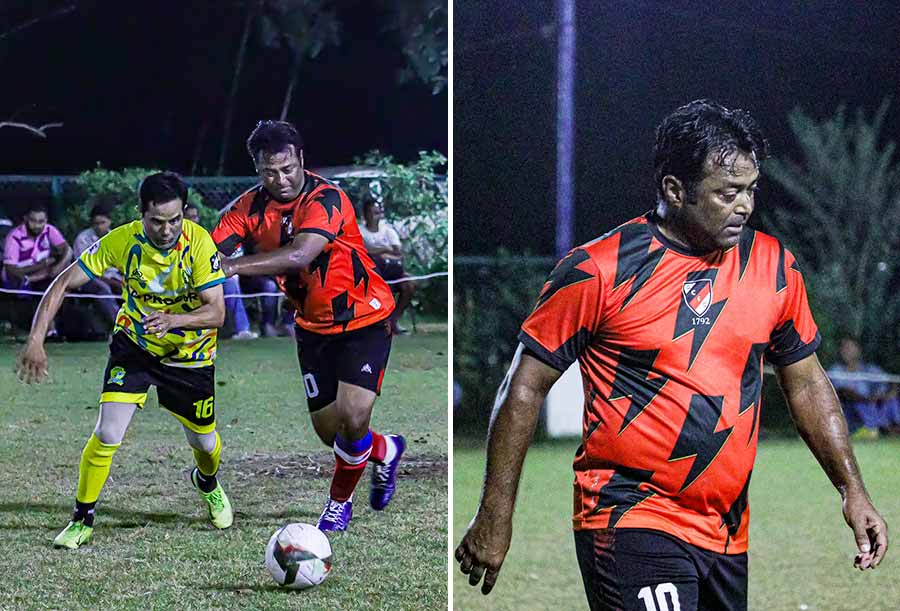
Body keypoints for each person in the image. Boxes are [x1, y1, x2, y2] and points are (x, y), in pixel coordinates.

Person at [455, 100, 888, 610]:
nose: (744, 206)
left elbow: (808, 384)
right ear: (675, 190)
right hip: (629, 517)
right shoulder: (598, 270)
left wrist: (852, 489)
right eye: (727, 193)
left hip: (726, 531)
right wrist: (495, 513)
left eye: (751, 190)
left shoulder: (773, 266)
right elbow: (524, 387)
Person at [16, 172, 233, 549]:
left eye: (174, 220)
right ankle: (82, 519)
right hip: (135, 347)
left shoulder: (199, 243)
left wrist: (173, 321)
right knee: (107, 433)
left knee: (204, 442)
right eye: (157, 221)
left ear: (184, 212)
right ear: (141, 213)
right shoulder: (121, 240)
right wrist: (36, 339)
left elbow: (217, 313)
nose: (167, 230)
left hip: (190, 356)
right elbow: (63, 281)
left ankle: (207, 483)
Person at [211, 120, 405, 532]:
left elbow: (300, 254)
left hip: (363, 318)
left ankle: (338, 504)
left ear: (301, 159)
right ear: (257, 168)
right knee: (330, 432)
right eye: (269, 172)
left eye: (287, 169)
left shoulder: (327, 198)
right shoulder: (247, 209)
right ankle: (386, 450)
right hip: (312, 327)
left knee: (353, 416)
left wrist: (231, 266)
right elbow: (209, 251)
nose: (280, 180)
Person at [186, 204, 258, 340]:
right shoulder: (174, 237)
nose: (192, 220)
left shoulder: (203, 235)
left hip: (207, 276)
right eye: (188, 217)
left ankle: (242, 329)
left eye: (194, 217)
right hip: (187, 278)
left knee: (230, 283)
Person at [2, 203, 73, 333]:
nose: (37, 225)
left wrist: (58, 266)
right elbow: (10, 269)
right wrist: (41, 266)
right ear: (25, 219)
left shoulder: (49, 230)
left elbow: (67, 250)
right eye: (33, 221)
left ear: (46, 221)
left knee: (61, 282)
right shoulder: (14, 237)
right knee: (45, 288)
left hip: (44, 275)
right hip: (18, 279)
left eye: (41, 221)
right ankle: (49, 330)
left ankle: (56, 330)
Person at [359, 196, 416, 335]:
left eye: (378, 213)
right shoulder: (359, 231)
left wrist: (379, 253)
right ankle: (375, 322)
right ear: (365, 214)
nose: (376, 216)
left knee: (409, 285)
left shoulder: (388, 231)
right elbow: (361, 252)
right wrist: (384, 250)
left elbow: (398, 253)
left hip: (392, 271)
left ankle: (393, 321)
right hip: (370, 273)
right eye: (373, 213)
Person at [828, 337, 900, 440]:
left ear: (859, 349)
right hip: (853, 408)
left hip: (874, 404)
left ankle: (893, 427)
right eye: (843, 348)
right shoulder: (836, 370)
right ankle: (873, 429)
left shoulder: (870, 369)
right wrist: (867, 399)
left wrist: (886, 395)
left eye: (849, 347)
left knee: (891, 400)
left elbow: (891, 382)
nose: (846, 351)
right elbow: (843, 391)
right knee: (860, 405)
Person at [73, 205, 122, 326]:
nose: (99, 226)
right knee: (103, 289)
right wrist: (111, 282)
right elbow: (85, 268)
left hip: (113, 276)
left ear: (109, 221)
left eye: (102, 223)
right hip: (87, 278)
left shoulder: (115, 237)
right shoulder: (83, 239)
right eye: (96, 223)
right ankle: (119, 325)